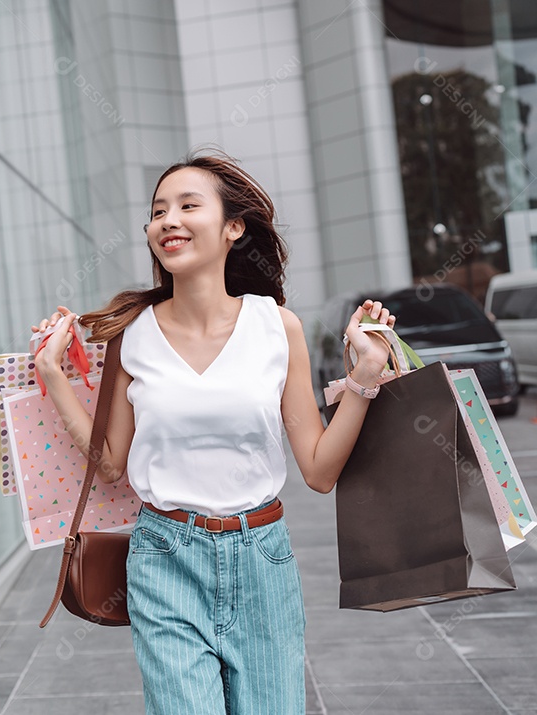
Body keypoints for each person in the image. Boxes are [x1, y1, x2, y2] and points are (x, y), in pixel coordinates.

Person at [31, 149, 395, 715]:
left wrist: (365, 375)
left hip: (262, 559)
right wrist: (52, 373)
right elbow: (110, 464)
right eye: (158, 211)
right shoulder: (132, 335)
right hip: (164, 557)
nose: (167, 221)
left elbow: (320, 471)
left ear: (233, 228)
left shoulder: (277, 327)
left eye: (187, 206)